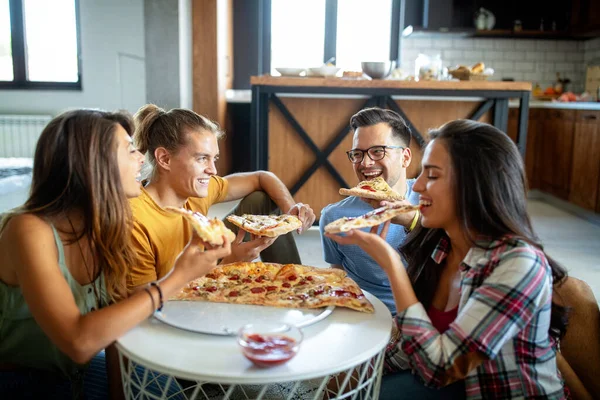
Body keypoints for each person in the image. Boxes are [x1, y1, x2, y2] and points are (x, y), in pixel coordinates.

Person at [326, 120, 569, 399]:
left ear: (473, 184)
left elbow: (438, 369)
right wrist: (358, 371)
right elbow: (414, 342)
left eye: (432, 175)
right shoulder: (440, 246)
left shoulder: (520, 264)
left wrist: (391, 263)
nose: (416, 186)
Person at [0, 110, 231, 399]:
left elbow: (117, 333)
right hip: (17, 380)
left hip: (74, 373)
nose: (140, 158)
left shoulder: (107, 227)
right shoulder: (29, 230)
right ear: (94, 163)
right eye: (130, 149)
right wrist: (179, 276)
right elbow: (79, 341)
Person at [126, 105, 315, 290]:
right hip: (171, 295)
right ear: (165, 159)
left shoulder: (196, 188)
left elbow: (261, 177)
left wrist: (291, 211)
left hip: (202, 263)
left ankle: (296, 284)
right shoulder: (135, 220)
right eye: (202, 158)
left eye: (213, 159)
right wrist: (228, 262)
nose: (213, 170)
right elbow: (145, 304)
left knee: (261, 199)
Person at [319, 107, 419, 315]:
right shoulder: (334, 218)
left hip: (421, 315)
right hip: (364, 314)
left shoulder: (432, 201)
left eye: (377, 151)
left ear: (405, 157)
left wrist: (412, 220)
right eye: (357, 154)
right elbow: (338, 274)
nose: (365, 163)